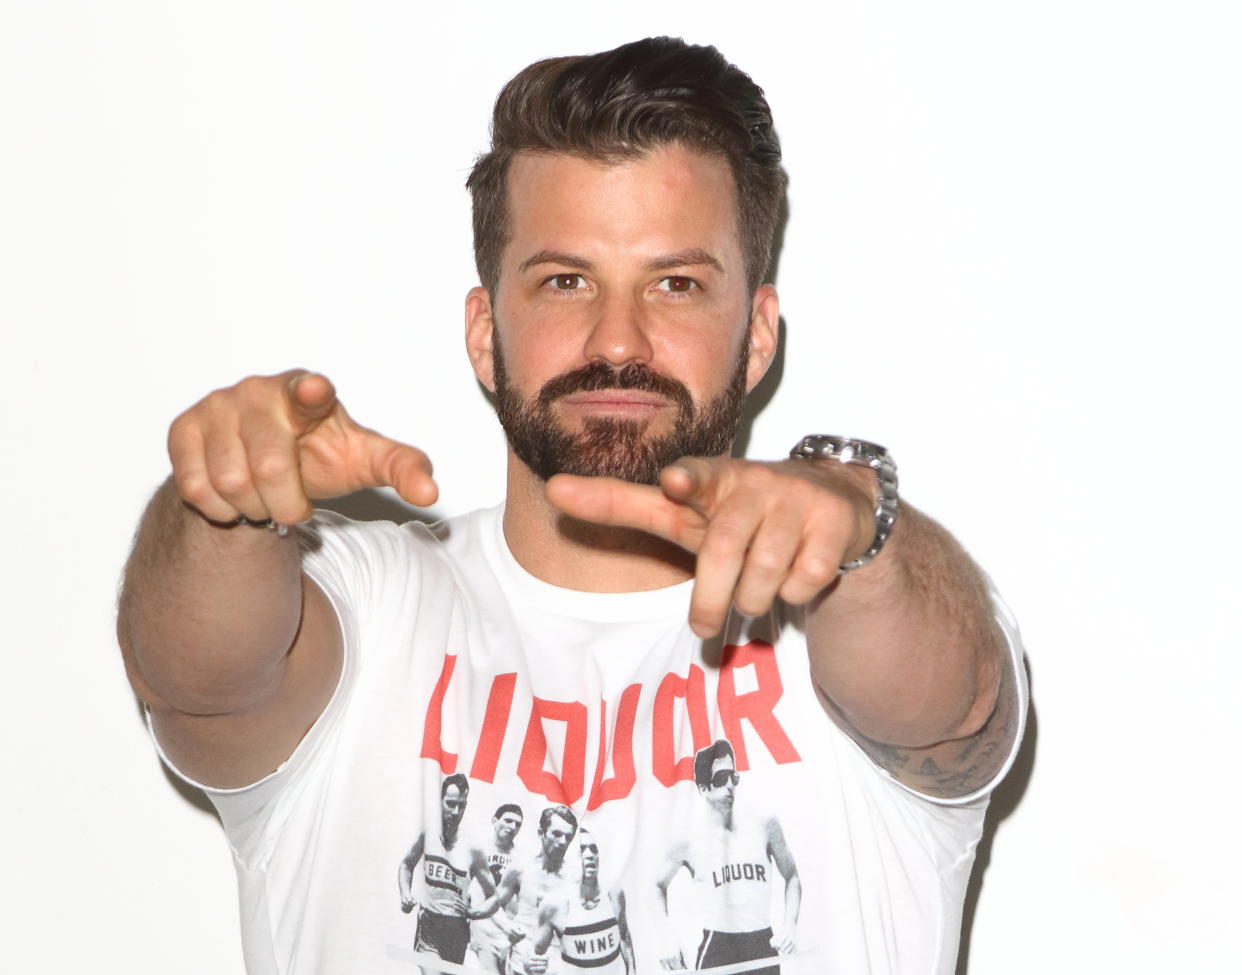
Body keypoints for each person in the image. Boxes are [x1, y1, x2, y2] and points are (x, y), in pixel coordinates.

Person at [117, 35, 1026, 975]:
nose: (617, 339)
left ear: (756, 339)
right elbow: (200, 676)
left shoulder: (846, 614)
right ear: (484, 332)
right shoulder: (364, 602)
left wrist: (858, 520)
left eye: (675, 284)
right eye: (565, 280)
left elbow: (950, 708)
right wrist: (226, 503)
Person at [654, 739, 799, 973]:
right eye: (721, 779)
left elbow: (791, 875)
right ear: (703, 788)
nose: (730, 785)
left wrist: (790, 924)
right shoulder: (688, 837)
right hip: (719, 947)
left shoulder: (764, 823)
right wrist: (666, 937)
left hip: (761, 944)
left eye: (733, 777)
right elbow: (655, 886)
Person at [397, 774, 502, 974]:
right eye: (450, 804)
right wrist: (405, 893)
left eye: (461, 806)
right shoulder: (428, 832)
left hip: (457, 931)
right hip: (430, 927)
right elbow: (406, 865)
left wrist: (475, 912)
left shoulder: (473, 848)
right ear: (441, 801)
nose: (455, 811)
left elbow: (494, 898)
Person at [470, 805, 580, 975]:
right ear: (541, 833)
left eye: (568, 837)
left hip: (557, 967)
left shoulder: (575, 878)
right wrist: (508, 927)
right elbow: (494, 904)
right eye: (557, 834)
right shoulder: (521, 869)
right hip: (520, 965)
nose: (563, 842)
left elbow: (581, 930)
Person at [528, 829, 636, 975]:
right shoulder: (554, 904)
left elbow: (624, 937)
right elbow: (534, 956)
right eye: (582, 850)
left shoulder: (613, 893)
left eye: (594, 849)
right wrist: (530, 964)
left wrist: (633, 971)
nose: (589, 855)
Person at [470, 804, 526, 973]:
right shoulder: (479, 851)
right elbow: (472, 892)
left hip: (510, 933)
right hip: (485, 929)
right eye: (508, 821)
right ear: (494, 821)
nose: (512, 827)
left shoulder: (521, 857)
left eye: (517, 824)